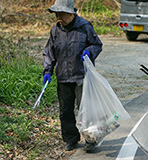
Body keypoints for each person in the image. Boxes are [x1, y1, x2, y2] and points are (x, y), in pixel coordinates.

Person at [42, 0, 102, 151]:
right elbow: (49, 52)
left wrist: (89, 51)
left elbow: (97, 44)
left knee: (85, 110)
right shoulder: (55, 31)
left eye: (61, 14)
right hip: (63, 77)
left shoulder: (84, 27)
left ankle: (90, 140)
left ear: (71, 13)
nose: (58, 18)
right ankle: (71, 139)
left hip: (82, 77)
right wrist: (48, 70)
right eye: (56, 14)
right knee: (65, 111)